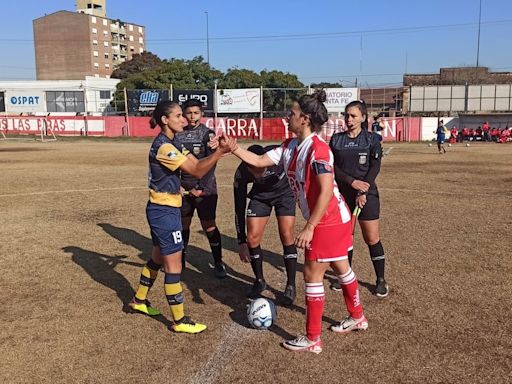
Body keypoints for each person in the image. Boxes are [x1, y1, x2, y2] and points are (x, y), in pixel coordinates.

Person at [228, 90, 367, 354]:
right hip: (337, 218)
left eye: (291, 113)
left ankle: (312, 338)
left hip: (328, 221)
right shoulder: (291, 147)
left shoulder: (319, 149)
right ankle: (357, 317)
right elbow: (258, 160)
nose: (287, 117)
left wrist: (310, 226)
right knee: (342, 269)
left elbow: (326, 190)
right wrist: (234, 148)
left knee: (312, 277)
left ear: (304, 119)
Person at [129, 100, 230, 334]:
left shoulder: (174, 142)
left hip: (165, 208)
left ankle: (139, 300)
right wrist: (222, 153)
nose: (183, 119)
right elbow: (196, 171)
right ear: (165, 120)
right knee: (173, 268)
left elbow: (196, 163)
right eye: (177, 116)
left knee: (156, 258)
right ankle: (180, 320)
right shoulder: (164, 147)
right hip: (163, 212)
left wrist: (216, 151)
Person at [329, 100, 389, 298]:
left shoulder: (372, 139)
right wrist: (351, 182)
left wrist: (363, 191)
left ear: (363, 118)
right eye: (346, 115)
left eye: (353, 115)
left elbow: (375, 167)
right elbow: (333, 168)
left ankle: (380, 280)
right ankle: (344, 277)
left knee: (371, 237)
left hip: (367, 194)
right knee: (346, 238)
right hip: (343, 196)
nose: (349, 119)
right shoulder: (336, 140)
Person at [234, 144, 298, 305]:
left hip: (285, 194)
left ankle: (291, 284)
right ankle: (259, 281)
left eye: (260, 169)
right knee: (252, 238)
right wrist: (241, 241)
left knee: (286, 233)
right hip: (261, 197)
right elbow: (239, 207)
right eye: (253, 170)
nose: (257, 174)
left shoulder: (277, 155)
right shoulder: (242, 173)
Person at [176, 99, 226, 278]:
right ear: (183, 114)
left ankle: (218, 262)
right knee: (183, 225)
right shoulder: (178, 135)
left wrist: (200, 187)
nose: (192, 117)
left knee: (209, 226)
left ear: (201, 114)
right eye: (188, 113)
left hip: (205, 190)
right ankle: (180, 260)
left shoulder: (208, 135)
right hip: (183, 190)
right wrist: (178, 184)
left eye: (196, 113)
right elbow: (174, 163)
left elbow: (211, 164)